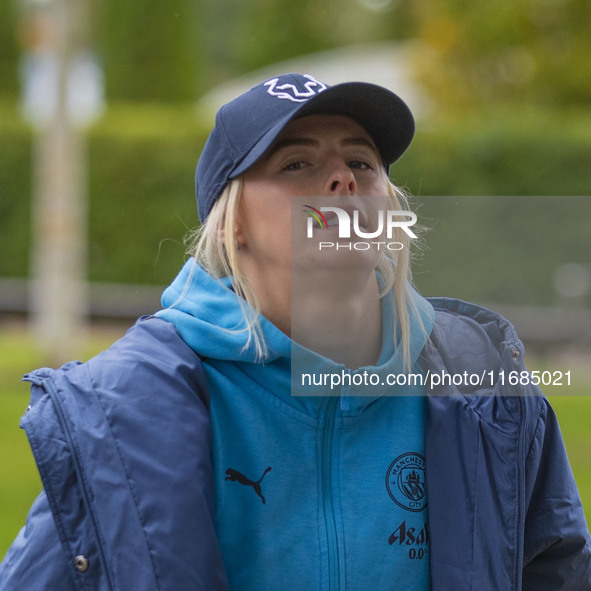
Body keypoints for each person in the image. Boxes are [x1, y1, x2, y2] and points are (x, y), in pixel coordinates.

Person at [0, 72, 590, 590]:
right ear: (232, 225)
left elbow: (557, 570)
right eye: (296, 163)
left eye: (361, 162)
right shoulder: (121, 409)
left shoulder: (485, 387)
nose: (341, 180)